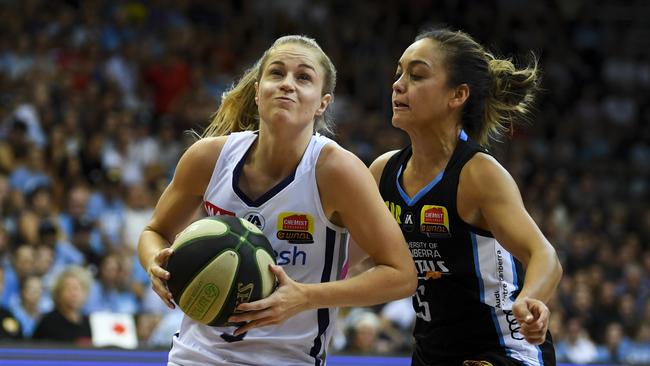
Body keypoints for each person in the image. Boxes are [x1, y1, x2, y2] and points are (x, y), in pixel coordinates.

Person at [138, 35, 416, 365]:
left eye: (303, 77)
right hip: (195, 356)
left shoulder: (337, 171)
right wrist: (154, 262)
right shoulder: (208, 158)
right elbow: (154, 231)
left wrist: (305, 297)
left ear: (322, 103)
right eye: (277, 73)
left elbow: (401, 275)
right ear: (257, 92)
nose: (287, 84)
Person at [361, 28, 562, 365]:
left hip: (503, 350)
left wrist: (530, 299)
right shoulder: (383, 172)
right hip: (431, 353)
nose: (398, 84)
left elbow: (544, 255)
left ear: (457, 96)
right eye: (399, 73)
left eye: (417, 75)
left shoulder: (478, 173)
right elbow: (351, 262)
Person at [32, 266, 92, 345]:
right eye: (68, 288)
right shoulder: (48, 322)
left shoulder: (88, 322)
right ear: (58, 293)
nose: (74, 294)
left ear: (85, 293)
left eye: (77, 288)